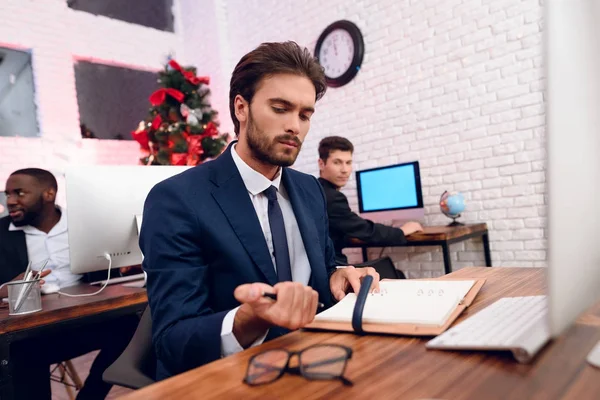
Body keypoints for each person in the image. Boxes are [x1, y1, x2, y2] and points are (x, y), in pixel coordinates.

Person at [140, 41, 380, 380]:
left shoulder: (310, 190)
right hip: (229, 377)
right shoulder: (176, 200)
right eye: (280, 108)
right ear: (241, 107)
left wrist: (337, 274)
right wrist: (251, 317)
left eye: (304, 114)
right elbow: (172, 341)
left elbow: (322, 267)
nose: (295, 126)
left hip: (314, 360)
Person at [0, 168, 137, 399]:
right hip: (29, 332)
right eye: (8, 194)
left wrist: (128, 264)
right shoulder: (2, 232)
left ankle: (91, 396)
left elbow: (108, 270)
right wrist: (4, 289)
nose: (10, 201)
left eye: (19, 193)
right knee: (21, 360)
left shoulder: (83, 225)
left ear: (48, 194)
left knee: (134, 323)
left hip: (83, 320)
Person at [317, 136, 423, 264]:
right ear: (321, 164)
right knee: (391, 269)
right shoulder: (332, 197)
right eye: (337, 162)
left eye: (348, 163)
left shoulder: (317, 190)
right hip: (331, 269)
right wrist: (402, 231)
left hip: (322, 266)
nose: (345, 170)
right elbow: (365, 230)